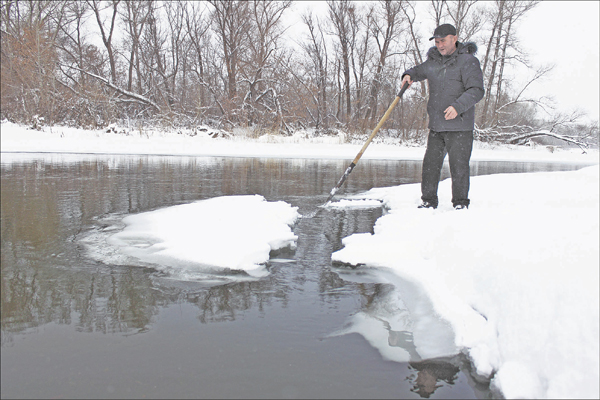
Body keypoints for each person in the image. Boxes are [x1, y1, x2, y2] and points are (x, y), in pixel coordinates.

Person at [401, 23, 484, 210]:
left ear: (454, 39)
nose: (440, 45)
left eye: (443, 41)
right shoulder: (433, 62)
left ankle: (460, 204)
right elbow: (417, 71)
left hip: (460, 127)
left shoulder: (468, 61)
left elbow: (477, 90)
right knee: (430, 165)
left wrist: (458, 106)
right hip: (437, 126)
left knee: (459, 167)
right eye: (437, 42)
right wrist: (408, 75)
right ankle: (428, 201)